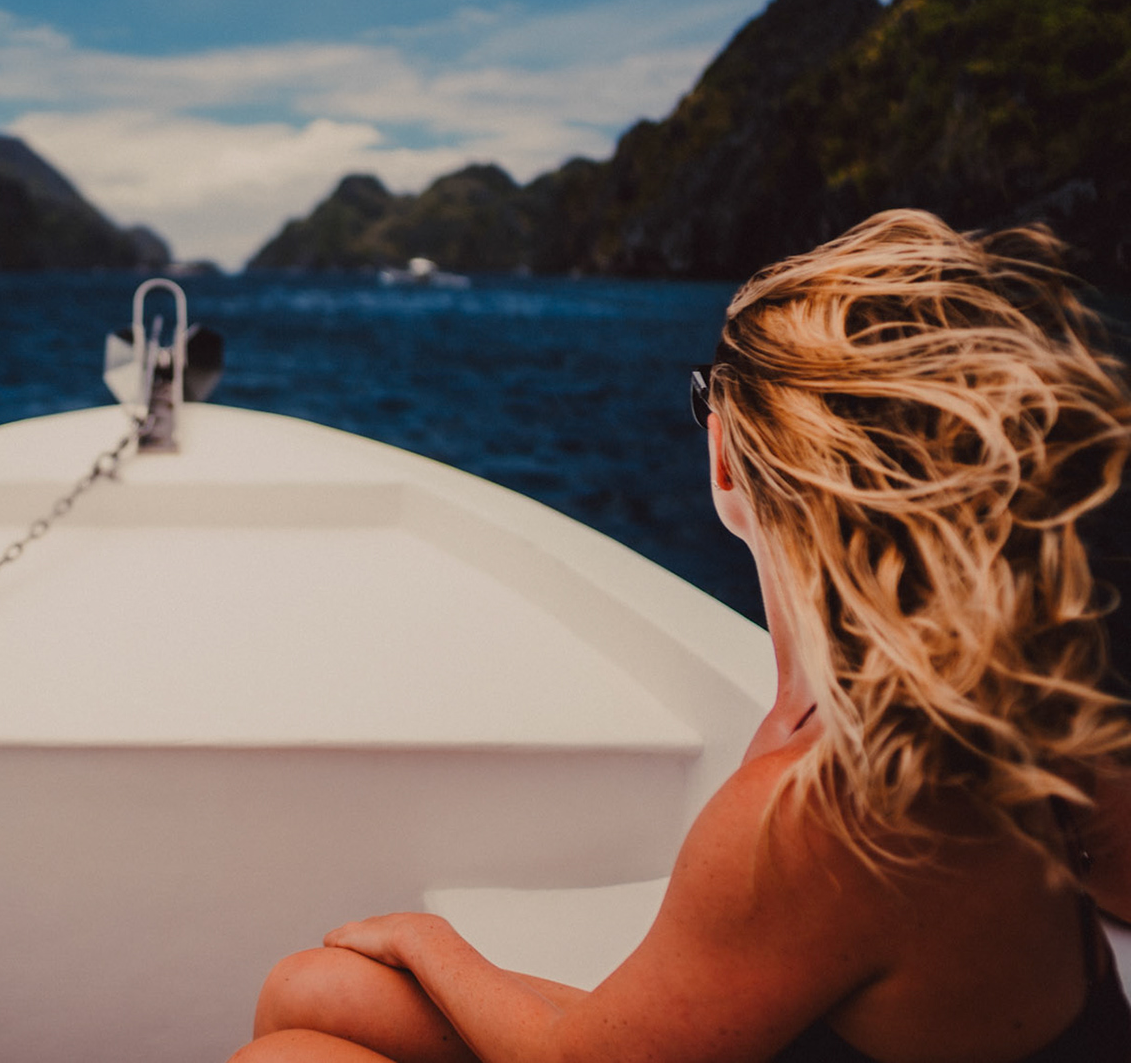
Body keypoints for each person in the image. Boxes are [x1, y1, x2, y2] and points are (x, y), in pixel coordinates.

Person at [232, 210, 1131, 1062]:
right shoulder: (1017, 712)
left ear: (728, 456)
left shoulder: (815, 810)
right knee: (316, 989)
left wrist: (427, 941)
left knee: (287, 1054)